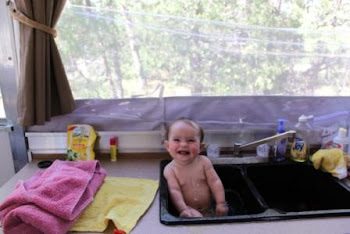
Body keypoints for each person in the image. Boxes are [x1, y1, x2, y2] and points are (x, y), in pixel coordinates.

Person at [163, 117, 228, 218]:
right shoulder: (170, 170)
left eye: (190, 140)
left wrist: (221, 203)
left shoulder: (204, 162)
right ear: (167, 146)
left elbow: (215, 182)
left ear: (200, 147)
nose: (184, 144)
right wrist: (183, 209)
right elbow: (175, 191)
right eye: (177, 140)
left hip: (210, 208)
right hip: (189, 210)